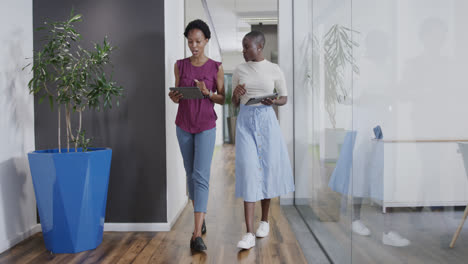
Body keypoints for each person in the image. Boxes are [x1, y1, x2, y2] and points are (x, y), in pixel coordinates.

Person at [232, 31, 295, 249]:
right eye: (242, 46)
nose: (243, 50)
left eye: (246, 46)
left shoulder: (274, 69)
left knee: (266, 170)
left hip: (267, 121)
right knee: (249, 171)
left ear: (259, 47)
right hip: (246, 123)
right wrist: (237, 94)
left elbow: (285, 97)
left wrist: (274, 100)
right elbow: (233, 103)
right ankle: (248, 233)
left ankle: (265, 221)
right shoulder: (240, 69)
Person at [168, 19, 225, 252]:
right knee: (190, 175)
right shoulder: (179, 66)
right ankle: (200, 221)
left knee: (201, 176)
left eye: (198, 41)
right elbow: (176, 92)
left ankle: (195, 236)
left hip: (205, 127)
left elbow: (223, 98)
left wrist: (207, 93)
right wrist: (175, 97)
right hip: (183, 125)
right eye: (190, 41)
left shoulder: (216, 67)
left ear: (207, 41)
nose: (194, 45)